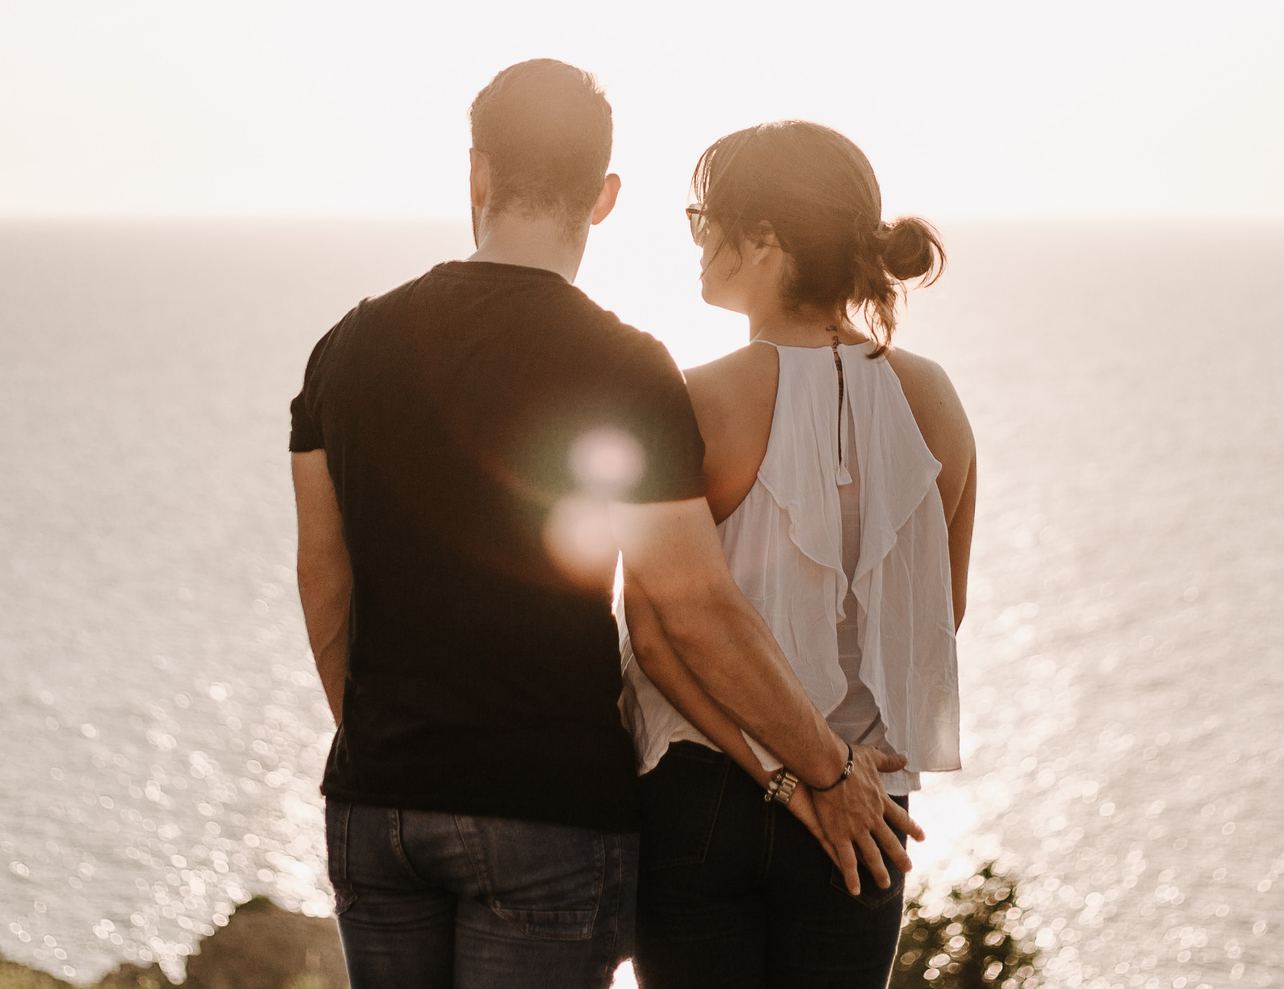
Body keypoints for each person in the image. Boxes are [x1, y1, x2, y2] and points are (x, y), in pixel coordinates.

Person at [289, 62, 918, 989]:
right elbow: (691, 601)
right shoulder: (626, 366)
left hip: (377, 804)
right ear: (605, 196)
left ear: (478, 173)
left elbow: (323, 573)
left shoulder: (344, 348)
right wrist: (825, 772)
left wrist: (383, 745)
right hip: (548, 808)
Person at [622, 121, 977, 989]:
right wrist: (835, 772)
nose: (696, 237)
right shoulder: (935, 399)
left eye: (705, 216)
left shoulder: (694, 400)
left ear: (765, 238)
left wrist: (786, 776)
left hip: (706, 787)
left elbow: (655, 637)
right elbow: (943, 613)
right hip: (867, 808)